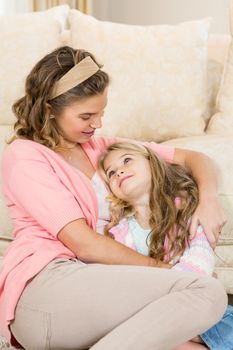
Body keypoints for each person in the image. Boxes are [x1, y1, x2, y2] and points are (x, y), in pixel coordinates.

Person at [0, 46, 227, 350]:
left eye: (101, 113)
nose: (97, 124)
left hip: (96, 292)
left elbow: (196, 159)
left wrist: (208, 200)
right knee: (208, 294)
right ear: (50, 109)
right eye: (86, 116)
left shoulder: (105, 150)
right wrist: (163, 273)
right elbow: (83, 242)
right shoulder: (25, 156)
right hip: (46, 288)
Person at [98, 141, 233, 350]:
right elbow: (125, 279)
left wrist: (172, 287)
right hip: (156, 314)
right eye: (111, 172)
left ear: (153, 163)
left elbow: (201, 255)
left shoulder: (185, 207)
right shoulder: (120, 232)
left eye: (127, 160)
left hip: (197, 305)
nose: (119, 171)